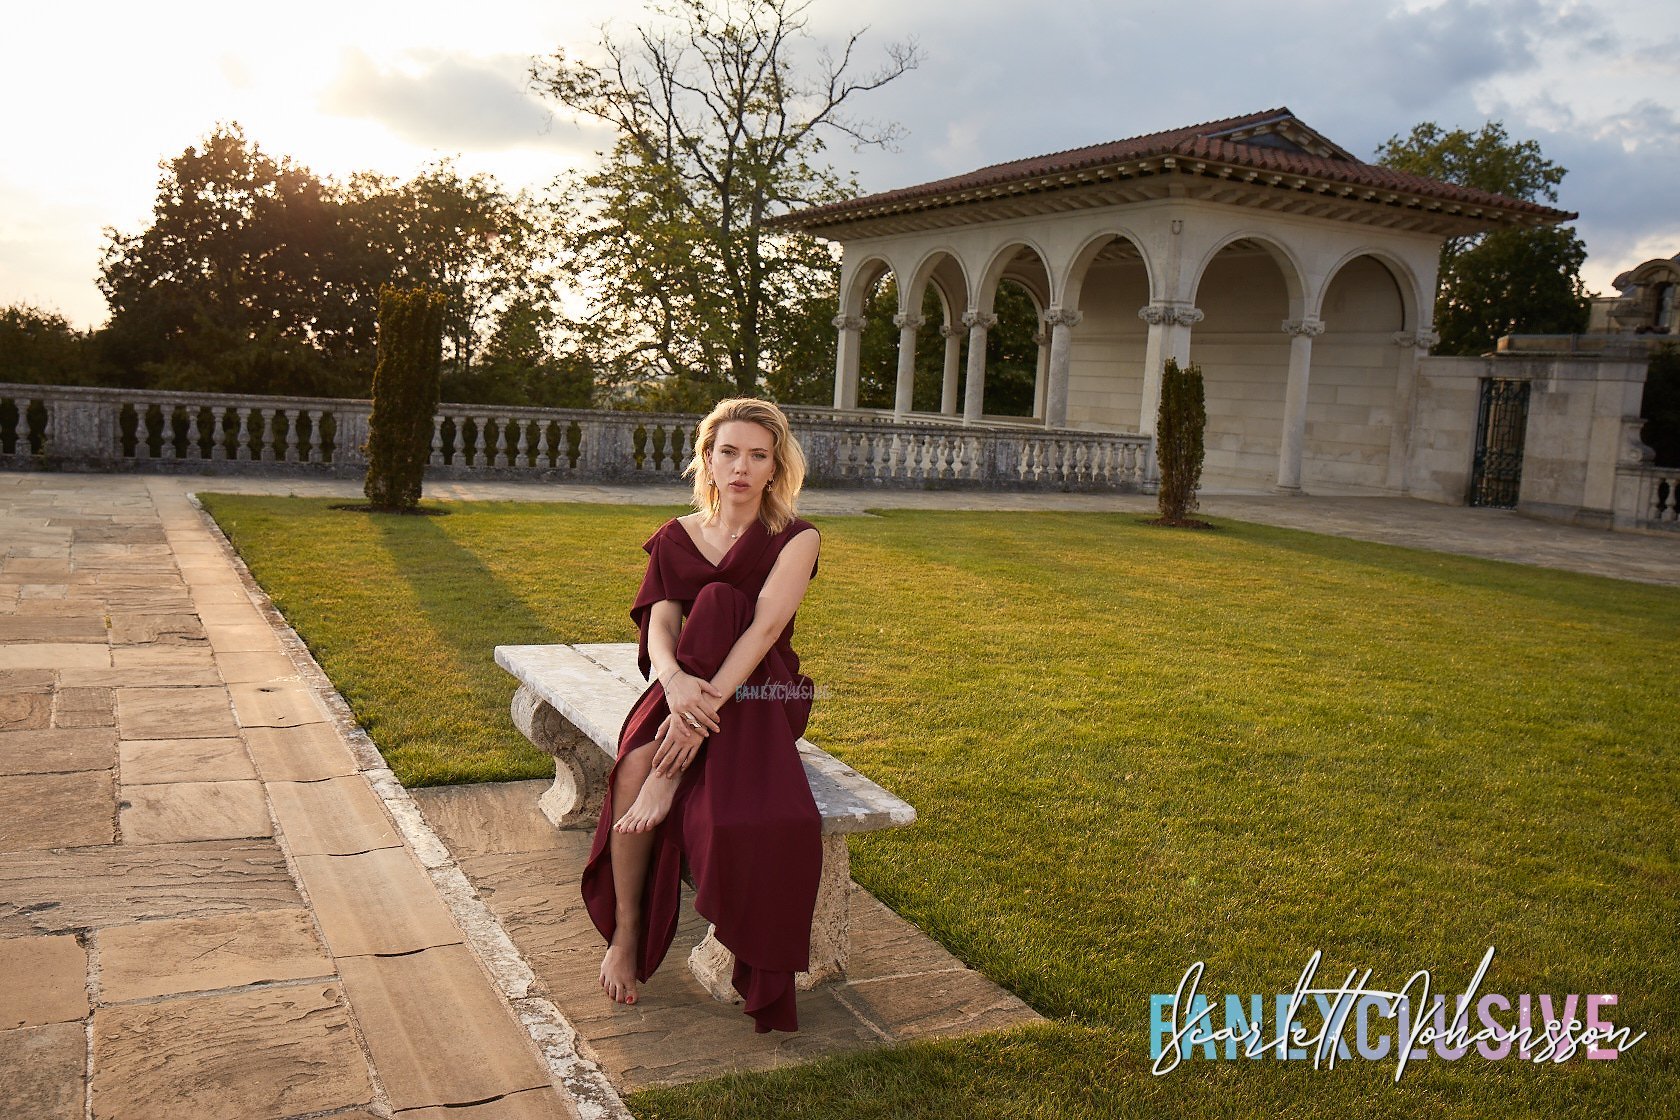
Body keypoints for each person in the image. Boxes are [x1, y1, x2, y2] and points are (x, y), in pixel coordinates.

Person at [580, 397, 823, 1033]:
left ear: (776, 468)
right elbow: (661, 626)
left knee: (719, 602)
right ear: (707, 460)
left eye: (758, 456)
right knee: (631, 768)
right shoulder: (675, 536)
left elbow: (765, 630)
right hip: (684, 683)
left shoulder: (797, 537)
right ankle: (627, 932)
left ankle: (667, 779)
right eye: (729, 453)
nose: (741, 467)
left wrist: (697, 708)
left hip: (762, 691)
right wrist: (676, 683)